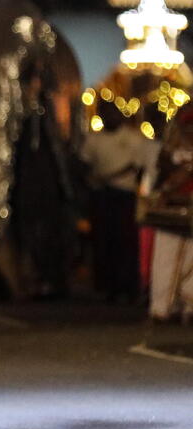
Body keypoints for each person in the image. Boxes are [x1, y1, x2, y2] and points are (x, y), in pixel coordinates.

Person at [81, 101, 153, 302]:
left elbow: (137, 167)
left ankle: (128, 285)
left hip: (124, 194)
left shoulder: (132, 138)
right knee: (104, 240)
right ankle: (108, 285)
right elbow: (84, 163)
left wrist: (111, 177)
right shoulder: (93, 140)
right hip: (101, 194)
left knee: (125, 241)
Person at [147, 108, 193, 320]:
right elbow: (161, 176)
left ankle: (187, 305)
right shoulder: (170, 150)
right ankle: (163, 307)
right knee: (165, 259)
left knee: (189, 261)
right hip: (172, 209)